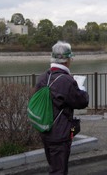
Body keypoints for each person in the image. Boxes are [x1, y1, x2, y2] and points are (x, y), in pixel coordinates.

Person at [34, 41, 89, 175]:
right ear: (67, 60)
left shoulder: (43, 78)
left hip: (45, 129)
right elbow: (82, 102)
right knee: (59, 170)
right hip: (59, 133)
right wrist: (81, 88)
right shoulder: (67, 80)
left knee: (54, 165)